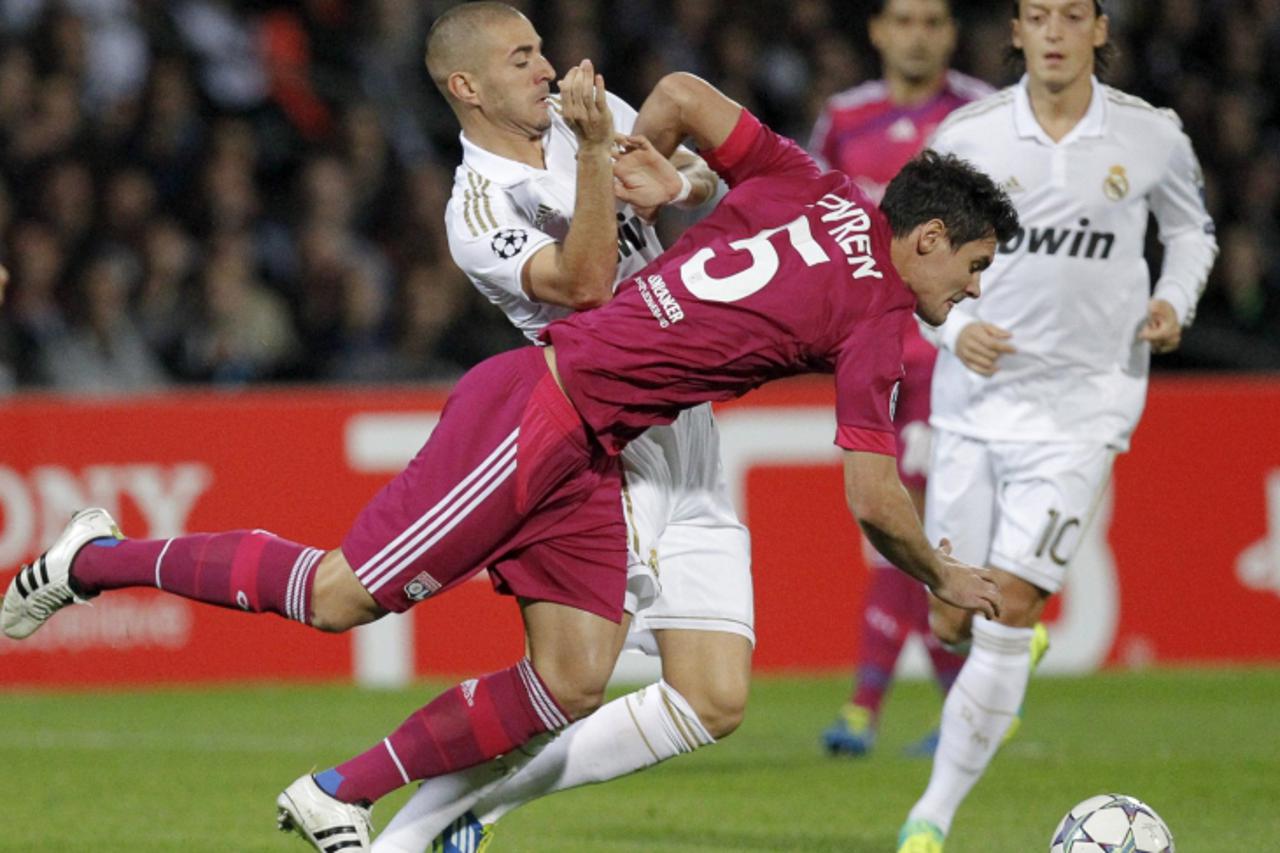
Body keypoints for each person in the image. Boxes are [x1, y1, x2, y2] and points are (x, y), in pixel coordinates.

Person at [2, 71, 1013, 853]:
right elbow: (873, 498)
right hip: (543, 413)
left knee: (571, 679)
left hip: (598, 445)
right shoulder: (877, 311)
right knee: (341, 597)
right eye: (970, 271)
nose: (965, 296)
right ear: (923, 239)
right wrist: (948, 574)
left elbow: (679, 96)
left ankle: (341, 793)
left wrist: (660, 164)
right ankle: (92, 561)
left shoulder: (818, 185)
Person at [371, 4, 747, 851]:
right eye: (521, 58)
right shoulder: (476, 209)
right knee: (569, 680)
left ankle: (475, 811)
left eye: (541, 48)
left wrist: (677, 184)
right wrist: (592, 158)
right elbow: (581, 283)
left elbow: (705, 171)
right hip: (611, 445)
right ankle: (398, 829)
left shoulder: (596, 116)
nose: (548, 67)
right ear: (467, 87)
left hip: (690, 427)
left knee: (714, 700)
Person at [895, 2, 1217, 851]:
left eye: (1072, 14)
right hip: (974, 408)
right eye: (1038, 15)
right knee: (950, 618)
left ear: (1100, 31)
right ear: (1015, 31)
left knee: (1006, 602)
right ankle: (1009, 638)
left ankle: (930, 816)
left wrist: (1172, 300)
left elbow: (1191, 234)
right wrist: (955, 330)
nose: (1054, 31)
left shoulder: (1152, 136)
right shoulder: (971, 134)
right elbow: (908, 261)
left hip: (1086, 405)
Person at [809, 0, 992, 759]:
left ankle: (873, 706)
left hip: (952, 358)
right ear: (878, 31)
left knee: (916, 522)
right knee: (903, 524)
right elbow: (815, 216)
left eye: (933, 21)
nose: (918, 34)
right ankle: (958, 710)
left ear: (950, 34)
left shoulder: (984, 114)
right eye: (904, 20)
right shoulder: (844, 119)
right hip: (873, 348)